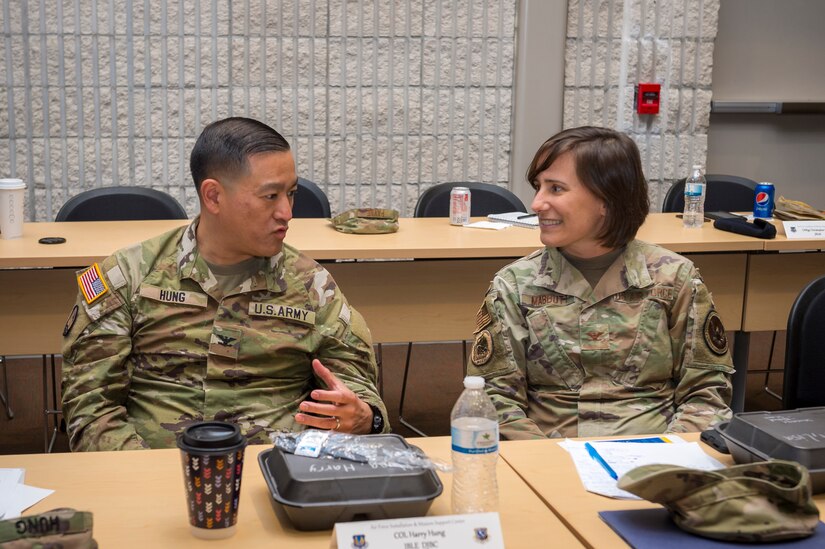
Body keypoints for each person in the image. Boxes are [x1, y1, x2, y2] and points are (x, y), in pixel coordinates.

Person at [61, 117, 388, 451]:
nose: (287, 213)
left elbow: (356, 389)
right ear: (214, 196)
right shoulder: (128, 277)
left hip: (277, 471)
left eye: (291, 194)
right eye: (270, 196)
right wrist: (148, 479)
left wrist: (365, 416)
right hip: (153, 473)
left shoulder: (312, 285)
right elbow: (90, 406)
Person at [467, 126, 734, 440]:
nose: (537, 203)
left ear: (606, 199)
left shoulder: (674, 278)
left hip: (656, 457)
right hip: (550, 458)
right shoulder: (515, 286)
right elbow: (493, 400)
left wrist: (667, 457)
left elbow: (706, 392)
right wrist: (545, 464)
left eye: (555, 189)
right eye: (538, 187)